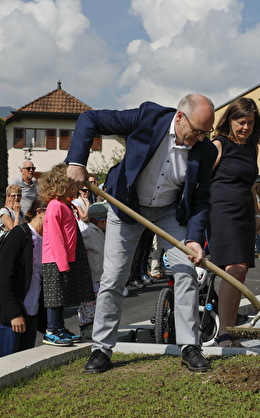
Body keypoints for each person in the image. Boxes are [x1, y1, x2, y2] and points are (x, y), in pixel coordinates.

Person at [66, 93, 217, 374]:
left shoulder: (205, 150)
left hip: (169, 212)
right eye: (197, 131)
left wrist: (194, 238)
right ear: (180, 117)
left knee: (186, 272)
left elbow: (201, 199)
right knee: (113, 276)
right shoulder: (148, 118)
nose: (200, 138)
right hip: (128, 206)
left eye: (205, 133)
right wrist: (76, 161)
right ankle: (101, 349)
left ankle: (189, 346)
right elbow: (90, 118)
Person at [207, 97, 260, 347]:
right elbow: (201, 179)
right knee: (234, 268)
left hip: (244, 214)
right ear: (230, 120)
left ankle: (229, 330)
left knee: (241, 272)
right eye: (241, 122)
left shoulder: (252, 148)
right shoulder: (219, 144)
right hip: (222, 212)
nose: (245, 128)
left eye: (250, 123)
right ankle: (224, 333)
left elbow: (250, 184)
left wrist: (257, 213)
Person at [40, 163, 94, 347]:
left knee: (61, 295)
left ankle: (60, 327)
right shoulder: (55, 206)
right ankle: (52, 330)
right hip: (55, 259)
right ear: (64, 184)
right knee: (54, 297)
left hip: (65, 257)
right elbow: (55, 237)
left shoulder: (65, 205)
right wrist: (62, 263)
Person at [0, 198, 47, 359]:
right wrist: (14, 314)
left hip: (31, 315)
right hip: (9, 319)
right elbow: (4, 277)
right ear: (39, 212)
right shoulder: (19, 235)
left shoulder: (47, 240)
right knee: (4, 369)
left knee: (23, 369)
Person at [77, 203, 108, 340]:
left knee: (97, 303)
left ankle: (95, 326)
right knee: (89, 304)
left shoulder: (99, 233)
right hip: (91, 277)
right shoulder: (89, 233)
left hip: (99, 276)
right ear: (102, 221)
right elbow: (78, 246)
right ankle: (86, 327)